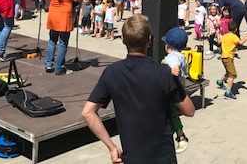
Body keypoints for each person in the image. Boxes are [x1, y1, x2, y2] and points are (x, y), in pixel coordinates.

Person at [82, 14, 195, 164]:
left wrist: (111, 147)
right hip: (163, 157)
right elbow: (189, 110)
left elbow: (88, 113)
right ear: (149, 40)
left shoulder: (112, 72)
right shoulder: (163, 73)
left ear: (123, 40)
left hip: (132, 157)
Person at [43, 0, 90, 74]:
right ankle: (59, 68)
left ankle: (49, 64)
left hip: (53, 13)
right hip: (64, 14)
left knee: (52, 40)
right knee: (63, 42)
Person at [162, 27, 190, 153]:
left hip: (171, 90)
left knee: (172, 114)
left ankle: (181, 137)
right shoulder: (181, 56)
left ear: (168, 46)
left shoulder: (173, 57)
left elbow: (175, 66)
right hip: (178, 88)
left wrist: (173, 70)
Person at [216, 21, 247, 100]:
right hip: (229, 57)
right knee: (232, 75)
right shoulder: (234, 36)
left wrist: (218, 34)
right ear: (236, 29)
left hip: (223, 57)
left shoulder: (225, 35)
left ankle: (220, 81)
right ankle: (228, 92)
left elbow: (219, 41)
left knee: (228, 72)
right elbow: (241, 42)